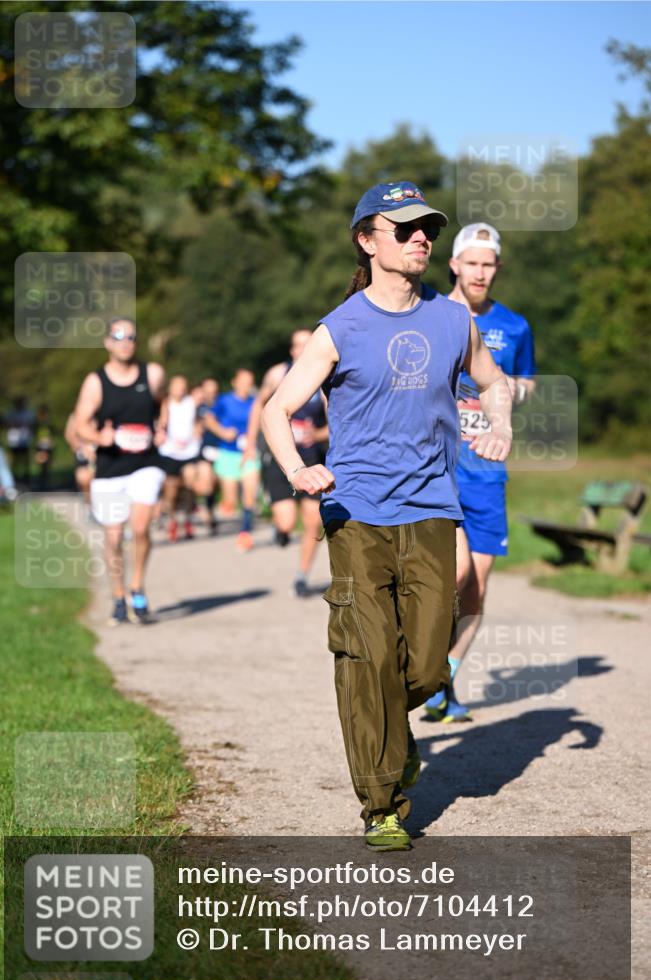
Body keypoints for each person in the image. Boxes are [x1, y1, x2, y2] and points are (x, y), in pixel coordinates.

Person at [262, 181, 512, 851]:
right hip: (357, 514)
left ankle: (392, 737)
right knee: (368, 655)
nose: (420, 237)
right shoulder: (339, 327)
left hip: (432, 509)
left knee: (428, 667)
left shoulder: (451, 320)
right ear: (366, 241)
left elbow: (492, 382)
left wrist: (501, 426)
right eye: (403, 229)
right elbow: (275, 411)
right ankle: (382, 805)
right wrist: (297, 469)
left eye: (425, 227)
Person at [424, 223, 536, 723]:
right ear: (454, 265)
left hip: (487, 470)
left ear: (498, 269)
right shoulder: (431, 313)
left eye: (488, 264)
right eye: (471, 262)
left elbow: (527, 384)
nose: (480, 272)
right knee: (457, 572)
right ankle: (424, 666)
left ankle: (444, 675)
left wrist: (501, 388)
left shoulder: (515, 326)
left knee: (477, 588)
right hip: (437, 468)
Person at [73, 317, 166, 625]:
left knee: (140, 527)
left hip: (146, 463)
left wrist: (161, 426)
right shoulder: (95, 381)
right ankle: (117, 596)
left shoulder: (152, 374)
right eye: (119, 336)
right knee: (113, 538)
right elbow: (81, 424)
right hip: (110, 467)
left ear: (136, 343)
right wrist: (100, 438)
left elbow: (162, 402)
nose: (125, 341)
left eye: (131, 337)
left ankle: (137, 587)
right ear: (108, 343)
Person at [244, 329, 329, 596]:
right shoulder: (276, 374)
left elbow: (335, 421)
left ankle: (302, 576)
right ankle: (280, 530)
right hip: (280, 457)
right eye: (298, 345)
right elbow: (261, 408)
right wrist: (249, 443)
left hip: (312, 457)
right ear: (291, 350)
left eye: (308, 344)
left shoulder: (324, 376)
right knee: (287, 521)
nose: (303, 349)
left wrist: (316, 434)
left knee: (313, 523)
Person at [207, 368, 260, 552]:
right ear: (234, 382)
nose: (246, 385)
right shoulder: (224, 400)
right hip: (228, 454)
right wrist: (222, 432)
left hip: (249, 453)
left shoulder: (256, 402)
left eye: (249, 381)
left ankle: (245, 532)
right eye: (243, 380)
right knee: (230, 501)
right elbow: (209, 419)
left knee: (250, 494)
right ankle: (217, 505)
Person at [158, 375, 202, 541]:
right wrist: (161, 432)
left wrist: (197, 431)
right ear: (171, 388)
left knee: (191, 480)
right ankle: (173, 520)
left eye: (183, 386)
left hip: (189, 451)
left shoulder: (191, 402)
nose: (180, 390)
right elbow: (162, 422)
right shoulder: (166, 403)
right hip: (170, 451)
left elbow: (198, 420)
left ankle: (189, 520)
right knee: (171, 489)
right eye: (177, 386)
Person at [194, 377, 220, 535]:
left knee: (215, 483)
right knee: (207, 482)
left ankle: (209, 507)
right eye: (208, 391)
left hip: (220, 450)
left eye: (214, 392)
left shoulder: (221, 406)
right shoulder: (198, 408)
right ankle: (207, 512)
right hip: (204, 450)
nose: (211, 395)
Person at [64, 411, 96, 503]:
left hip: (99, 454)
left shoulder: (104, 412)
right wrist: (82, 448)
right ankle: (88, 504)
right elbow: (70, 436)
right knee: (83, 478)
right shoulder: (75, 416)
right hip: (83, 454)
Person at [5, 395, 35, 484]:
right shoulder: (11, 413)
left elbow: (31, 424)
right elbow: (7, 424)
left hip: (24, 440)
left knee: (25, 460)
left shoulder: (28, 413)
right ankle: (14, 477)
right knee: (15, 461)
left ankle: (26, 478)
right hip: (14, 441)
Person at [33, 404, 55, 490]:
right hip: (40, 447)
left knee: (46, 465)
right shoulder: (37, 424)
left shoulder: (49, 424)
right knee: (42, 464)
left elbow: (51, 435)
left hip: (48, 446)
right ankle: (42, 482)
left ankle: (45, 482)